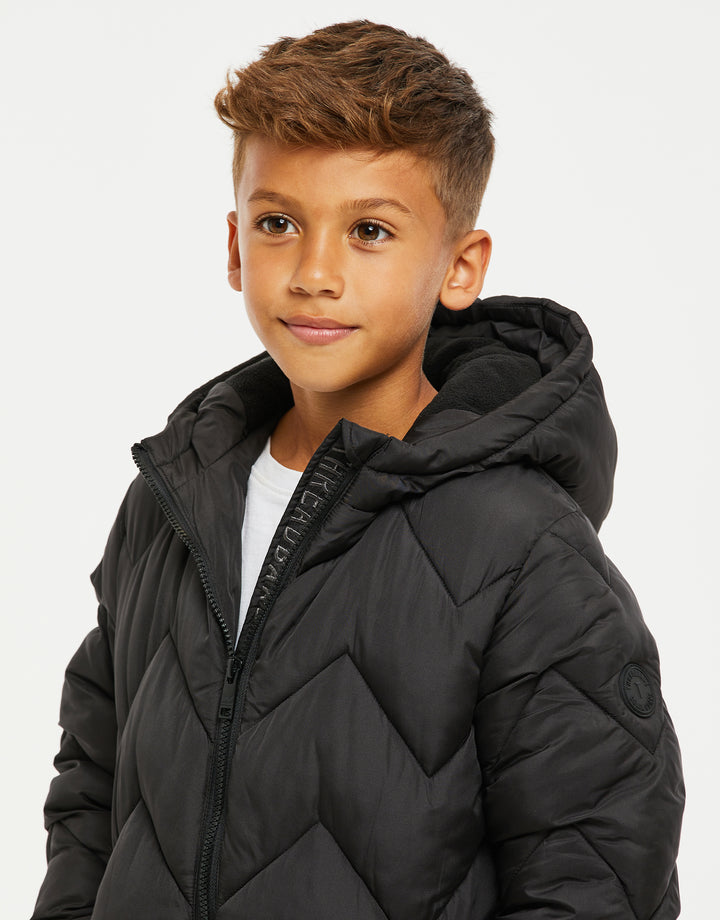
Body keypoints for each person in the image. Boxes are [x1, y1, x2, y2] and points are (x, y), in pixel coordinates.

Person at [31, 19, 684, 920]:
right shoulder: (167, 506)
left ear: (460, 267)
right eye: (279, 224)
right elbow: (91, 791)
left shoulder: (523, 547)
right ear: (235, 246)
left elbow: (596, 870)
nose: (314, 272)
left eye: (370, 230)